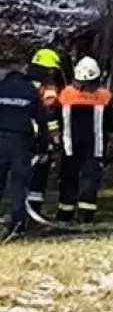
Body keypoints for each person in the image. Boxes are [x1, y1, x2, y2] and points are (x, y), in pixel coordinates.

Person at [57, 56, 113, 224]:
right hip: (95, 146)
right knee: (90, 179)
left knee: (68, 178)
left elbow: (56, 118)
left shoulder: (65, 94)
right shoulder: (105, 96)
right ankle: (85, 216)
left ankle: (64, 215)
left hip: (70, 145)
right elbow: (112, 122)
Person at [0, 58, 49, 239]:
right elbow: (41, 121)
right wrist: (44, 146)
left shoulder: (1, 87)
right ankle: (18, 226)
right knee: (19, 186)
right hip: (21, 142)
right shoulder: (30, 90)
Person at [24, 48, 63, 218]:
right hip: (39, 138)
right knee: (40, 173)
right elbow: (50, 115)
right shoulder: (48, 88)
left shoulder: (23, 83)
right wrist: (54, 138)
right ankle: (33, 210)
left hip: (19, 136)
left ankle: (20, 210)